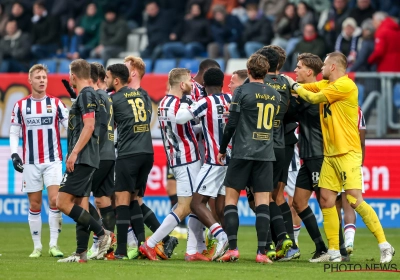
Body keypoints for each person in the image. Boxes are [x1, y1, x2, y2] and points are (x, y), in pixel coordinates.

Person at [286, 51, 395, 263]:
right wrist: (289, 85)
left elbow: (313, 97)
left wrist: (293, 85)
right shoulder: (327, 84)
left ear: (333, 67)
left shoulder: (346, 86)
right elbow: (308, 88)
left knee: (354, 200)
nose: (322, 69)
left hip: (348, 153)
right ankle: (334, 251)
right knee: (326, 201)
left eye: (324, 65)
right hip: (330, 154)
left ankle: (385, 245)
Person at [216, 53, 281, 263]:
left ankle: (233, 249)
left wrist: (223, 148)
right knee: (263, 202)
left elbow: (232, 124)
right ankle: (262, 252)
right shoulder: (275, 94)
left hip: (243, 151)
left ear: (249, 71)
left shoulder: (242, 91)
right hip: (265, 153)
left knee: (231, 200)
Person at [140, 68, 204, 261]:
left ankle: (194, 249)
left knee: (192, 205)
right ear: (182, 85)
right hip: (186, 159)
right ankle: (151, 244)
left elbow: (182, 128)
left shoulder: (163, 103)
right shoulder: (179, 106)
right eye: (189, 81)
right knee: (186, 206)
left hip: (176, 158)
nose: (192, 84)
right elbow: (186, 125)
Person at [57, 59, 113, 263]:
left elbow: (89, 126)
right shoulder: (92, 95)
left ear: (73, 76)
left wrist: (73, 153)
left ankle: (103, 233)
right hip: (89, 156)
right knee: (82, 203)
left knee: (62, 202)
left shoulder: (87, 94)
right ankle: (81, 253)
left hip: (83, 157)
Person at [123, 55, 179, 260]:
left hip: (134, 152)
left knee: (127, 199)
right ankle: (162, 239)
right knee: (135, 200)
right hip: (141, 151)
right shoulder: (143, 96)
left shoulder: (134, 97)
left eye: (125, 67)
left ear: (134, 72)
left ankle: (142, 243)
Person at [9, 64, 67, 258]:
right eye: (38, 77)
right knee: (34, 204)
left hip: (53, 160)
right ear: (30, 80)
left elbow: (70, 125)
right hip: (31, 162)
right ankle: (37, 247)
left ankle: (53, 245)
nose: (42, 80)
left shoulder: (56, 103)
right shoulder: (21, 105)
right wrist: (14, 153)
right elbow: (14, 131)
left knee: (54, 200)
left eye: (44, 77)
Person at [176, 67, 231, 260]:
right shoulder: (230, 100)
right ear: (223, 83)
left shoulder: (205, 102)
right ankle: (231, 248)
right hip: (231, 161)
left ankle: (221, 237)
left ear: (205, 85)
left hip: (214, 160)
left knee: (196, 204)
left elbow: (180, 118)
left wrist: (185, 97)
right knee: (223, 208)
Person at [106, 64, 154, 259]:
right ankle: (143, 245)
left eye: (108, 77)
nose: (107, 80)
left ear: (116, 80)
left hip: (129, 154)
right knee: (134, 199)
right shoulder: (141, 96)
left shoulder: (113, 99)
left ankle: (121, 250)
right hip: (147, 153)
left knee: (121, 201)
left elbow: (108, 127)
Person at [290, 53, 329, 260]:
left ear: (309, 72)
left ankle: (337, 249)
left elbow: (291, 112)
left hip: (317, 154)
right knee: (298, 202)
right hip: (307, 155)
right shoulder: (306, 93)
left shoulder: (316, 95)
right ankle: (321, 246)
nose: (295, 71)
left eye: (298, 67)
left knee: (326, 203)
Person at [82, 63, 116, 260]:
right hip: (109, 153)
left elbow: (98, 126)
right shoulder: (107, 96)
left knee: (80, 199)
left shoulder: (96, 96)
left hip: (99, 154)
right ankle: (106, 245)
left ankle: (100, 238)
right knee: (103, 200)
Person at [335, 106, 366, 256]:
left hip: (333, 159)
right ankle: (348, 242)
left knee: (333, 205)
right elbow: (362, 140)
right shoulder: (357, 110)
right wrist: (360, 164)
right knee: (350, 204)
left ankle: (336, 246)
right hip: (352, 160)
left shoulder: (331, 106)